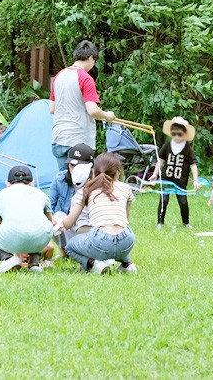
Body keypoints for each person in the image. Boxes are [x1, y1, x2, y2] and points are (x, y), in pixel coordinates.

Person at [61, 152, 137, 274]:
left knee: (70, 246)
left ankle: (94, 264)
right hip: (127, 240)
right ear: (118, 172)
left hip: (100, 242)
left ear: (93, 172)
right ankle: (127, 265)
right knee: (118, 234)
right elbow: (126, 220)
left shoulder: (86, 190)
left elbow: (69, 224)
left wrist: (60, 221)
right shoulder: (126, 188)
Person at [0, 166, 55, 273]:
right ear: (32, 183)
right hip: (42, 239)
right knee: (36, 226)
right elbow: (50, 221)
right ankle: (34, 263)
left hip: (12, 237)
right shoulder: (41, 194)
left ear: (7, 183)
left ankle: (8, 257)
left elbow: (0, 225)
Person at [49, 40, 116, 170]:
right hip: (77, 140)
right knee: (81, 183)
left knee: (64, 182)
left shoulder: (59, 76)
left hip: (59, 137)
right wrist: (107, 116)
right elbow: (93, 110)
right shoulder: (85, 78)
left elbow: (52, 108)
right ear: (90, 58)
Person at [153, 117, 200, 229]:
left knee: (183, 202)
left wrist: (195, 180)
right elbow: (160, 161)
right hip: (166, 178)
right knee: (164, 200)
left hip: (181, 181)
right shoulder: (167, 145)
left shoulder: (187, 148)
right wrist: (155, 174)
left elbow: (193, 164)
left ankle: (186, 223)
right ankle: (160, 222)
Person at [49, 144, 95, 252]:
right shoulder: (60, 178)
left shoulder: (96, 181)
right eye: (71, 165)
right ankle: (65, 252)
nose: (74, 169)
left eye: (78, 166)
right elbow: (48, 206)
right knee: (57, 215)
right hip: (66, 224)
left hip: (87, 226)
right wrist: (52, 219)